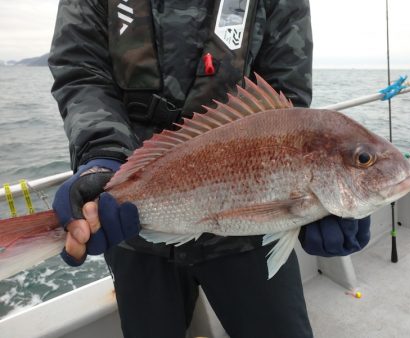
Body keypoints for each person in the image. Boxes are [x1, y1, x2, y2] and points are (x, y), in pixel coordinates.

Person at [49, 0, 371, 337]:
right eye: (364, 161)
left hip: (249, 233)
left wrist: (314, 200)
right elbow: (83, 71)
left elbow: (284, 103)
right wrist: (103, 156)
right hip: (133, 225)